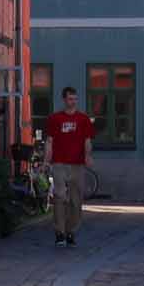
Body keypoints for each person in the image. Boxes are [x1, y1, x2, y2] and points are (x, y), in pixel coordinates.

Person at [44, 86, 95, 247]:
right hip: (59, 162)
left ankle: (71, 231)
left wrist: (87, 155)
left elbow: (87, 141)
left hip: (77, 164)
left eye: (75, 98)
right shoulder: (55, 119)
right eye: (70, 99)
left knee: (76, 199)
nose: (73, 101)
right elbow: (50, 141)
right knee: (60, 197)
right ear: (64, 100)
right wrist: (47, 160)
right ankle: (59, 232)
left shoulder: (83, 119)